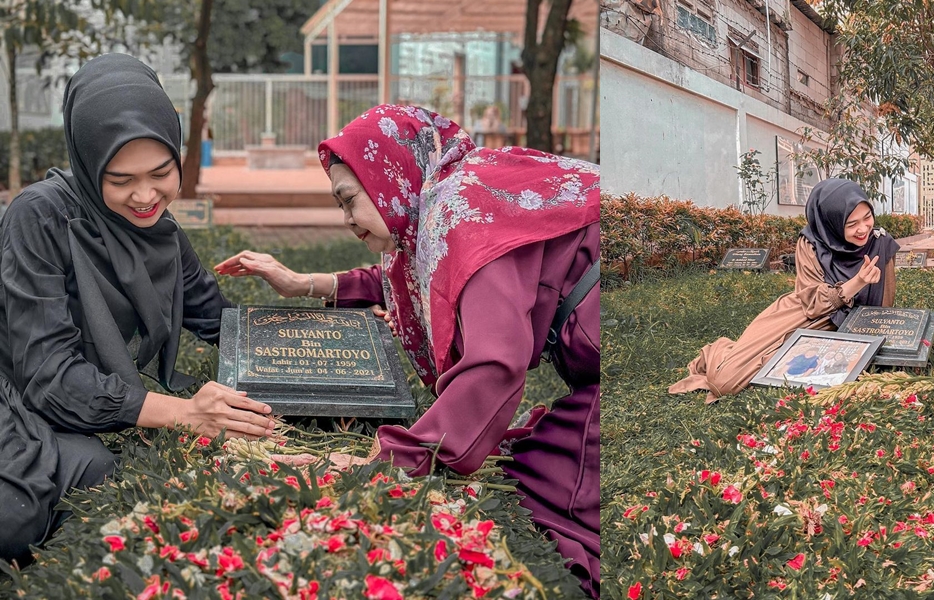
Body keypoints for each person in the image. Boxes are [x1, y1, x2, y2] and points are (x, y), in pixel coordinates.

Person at [213, 105, 601, 597]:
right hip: (590, 367)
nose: (348, 219)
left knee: (551, 488)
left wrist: (404, 456)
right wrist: (300, 283)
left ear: (387, 174)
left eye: (349, 199)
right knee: (534, 463)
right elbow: (410, 278)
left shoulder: (460, 208)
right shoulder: (444, 205)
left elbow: (495, 363)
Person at [0, 54, 274, 564]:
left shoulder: (163, 238)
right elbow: (47, 373)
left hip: (62, 414)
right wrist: (185, 413)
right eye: (120, 178)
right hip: (15, 392)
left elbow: (220, 320)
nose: (146, 196)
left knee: (93, 467)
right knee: (15, 516)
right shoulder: (37, 216)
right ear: (87, 161)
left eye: (161, 172)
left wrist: (330, 315)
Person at [669, 178, 899, 403]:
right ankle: (722, 350)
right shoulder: (811, 242)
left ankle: (764, 356)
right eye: (851, 224)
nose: (863, 228)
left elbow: (883, 304)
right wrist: (857, 282)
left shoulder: (880, 242)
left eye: (867, 217)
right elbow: (812, 302)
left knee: (795, 367)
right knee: (724, 383)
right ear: (832, 223)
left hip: (848, 326)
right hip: (804, 314)